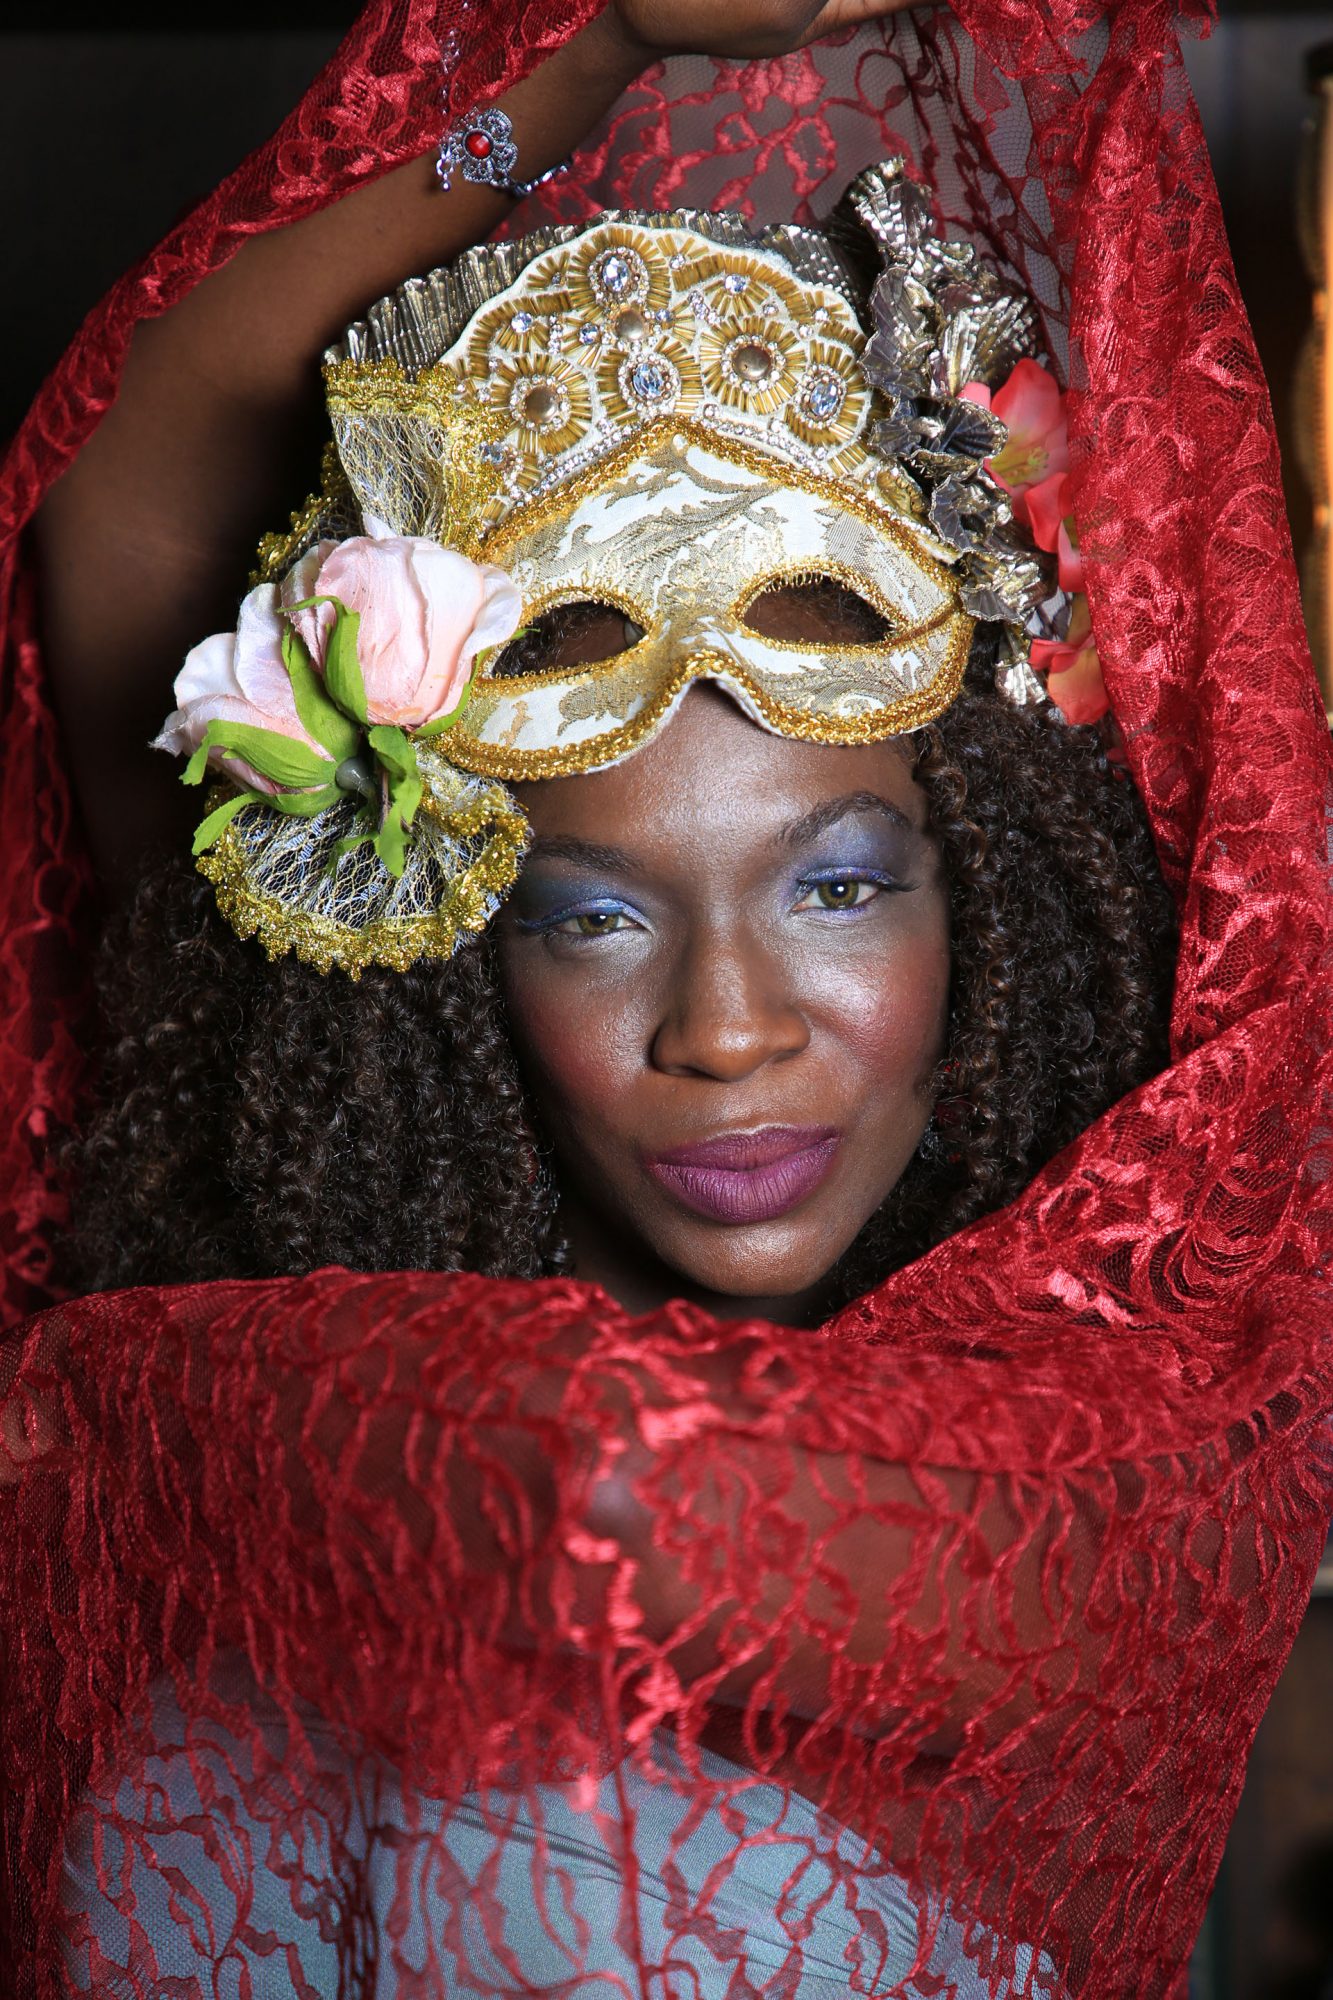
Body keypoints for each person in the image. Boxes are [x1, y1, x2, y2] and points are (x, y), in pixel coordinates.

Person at [1, 1, 1330, 1995]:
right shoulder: (314, 1228)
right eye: (591, 919)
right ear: (442, 946)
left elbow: (612, 1500)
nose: (728, 1028)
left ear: (995, 905)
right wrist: (595, 40)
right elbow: (125, 482)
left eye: (839, 887)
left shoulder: (1108, 1446)